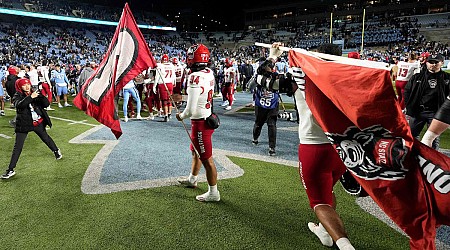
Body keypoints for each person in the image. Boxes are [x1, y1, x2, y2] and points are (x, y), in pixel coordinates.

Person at [273, 42, 355, 249]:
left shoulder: (302, 78)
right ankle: (323, 231)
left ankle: (345, 246)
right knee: (328, 192)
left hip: (314, 147)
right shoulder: (347, 77)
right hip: (341, 148)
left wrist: (273, 57)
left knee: (319, 201)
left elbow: (262, 82)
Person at [176, 43, 220, 202]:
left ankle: (213, 192)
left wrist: (181, 115)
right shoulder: (209, 72)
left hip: (200, 122)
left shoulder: (194, 77)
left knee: (207, 158)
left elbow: (191, 109)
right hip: (206, 117)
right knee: (195, 152)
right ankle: (192, 179)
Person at [2, 78, 61, 179]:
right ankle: (10, 169)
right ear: (20, 87)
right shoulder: (17, 95)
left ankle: (56, 150)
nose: (27, 86)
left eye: (28, 84)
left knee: (45, 138)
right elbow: (20, 105)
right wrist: (30, 97)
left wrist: (41, 96)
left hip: (37, 122)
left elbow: (46, 104)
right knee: (18, 147)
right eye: (24, 85)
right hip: (24, 124)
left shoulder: (34, 92)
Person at [404, 54, 450, 150]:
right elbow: (407, 91)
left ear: (441, 63)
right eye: (431, 62)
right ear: (426, 63)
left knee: (433, 139)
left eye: (436, 62)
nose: (433, 64)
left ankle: (432, 161)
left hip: (437, 113)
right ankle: (413, 156)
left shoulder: (447, 78)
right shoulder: (417, 77)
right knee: (412, 135)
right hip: (418, 111)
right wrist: (409, 107)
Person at [252, 57, 280, 156]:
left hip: (273, 104)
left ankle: (272, 147)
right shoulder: (258, 77)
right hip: (261, 104)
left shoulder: (276, 76)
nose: (271, 68)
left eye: (272, 66)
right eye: (269, 66)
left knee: (272, 125)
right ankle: (255, 137)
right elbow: (271, 84)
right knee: (258, 123)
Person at [155, 54, 176, 122]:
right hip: (170, 83)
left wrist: (154, 85)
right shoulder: (171, 65)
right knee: (169, 100)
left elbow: (157, 76)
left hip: (163, 83)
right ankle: (169, 113)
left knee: (164, 101)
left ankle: (166, 115)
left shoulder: (160, 65)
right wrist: (173, 82)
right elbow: (173, 75)